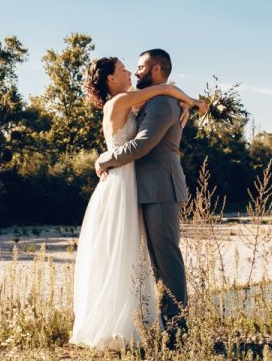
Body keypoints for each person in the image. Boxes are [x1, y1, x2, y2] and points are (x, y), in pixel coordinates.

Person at [70, 55, 205, 350]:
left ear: (157, 69)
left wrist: (185, 100)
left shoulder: (154, 102)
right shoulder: (126, 102)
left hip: (153, 187)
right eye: (124, 69)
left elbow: (149, 132)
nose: (133, 70)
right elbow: (165, 92)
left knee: (160, 259)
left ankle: (174, 329)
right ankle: (136, 323)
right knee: (127, 255)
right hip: (128, 186)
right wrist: (188, 99)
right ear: (110, 79)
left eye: (139, 66)